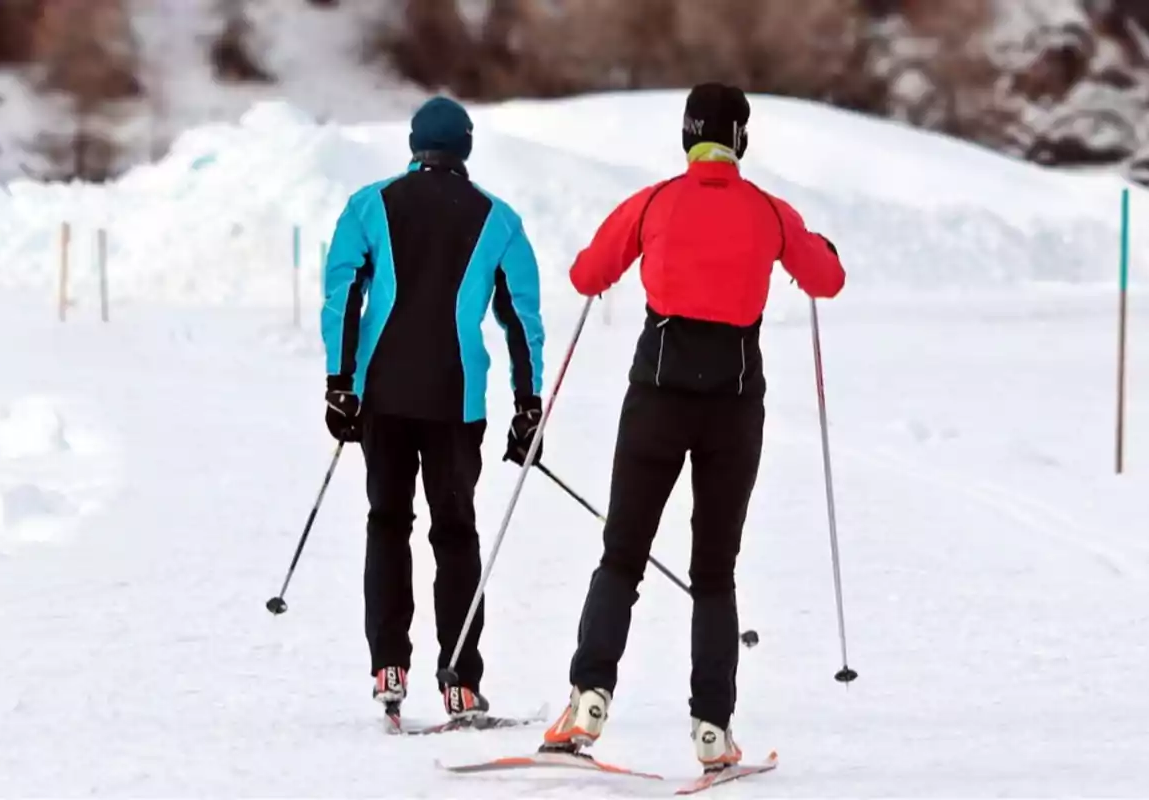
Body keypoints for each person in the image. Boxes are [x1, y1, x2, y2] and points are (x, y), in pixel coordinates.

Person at [541, 83, 846, 770]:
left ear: (686, 136)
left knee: (622, 552)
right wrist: (818, 246)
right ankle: (712, 727)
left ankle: (589, 697)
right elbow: (826, 280)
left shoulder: (653, 202)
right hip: (734, 410)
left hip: (656, 400)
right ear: (739, 139)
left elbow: (587, 275)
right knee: (714, 570)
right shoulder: (769, 212)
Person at [320, 96, 546, 721]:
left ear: (416, 145)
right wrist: (529, 406)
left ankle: (388, 666)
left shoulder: (369, 205)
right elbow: (521, 321)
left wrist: (340, 383)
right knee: (455, 534)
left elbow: (343, 295)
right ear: (465, 148)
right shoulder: (498, 220)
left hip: (383, 397)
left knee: (387, 523)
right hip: (456, 400)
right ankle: (460, 681)